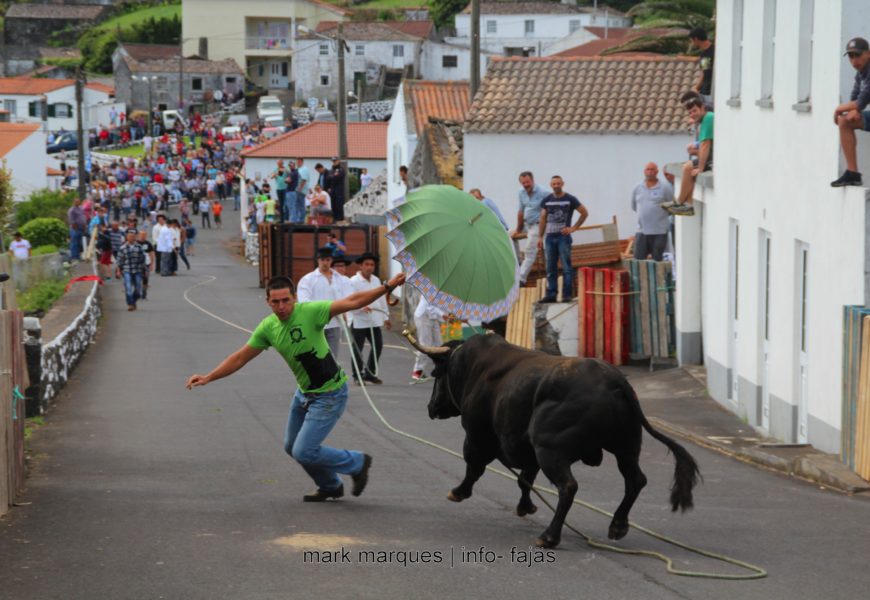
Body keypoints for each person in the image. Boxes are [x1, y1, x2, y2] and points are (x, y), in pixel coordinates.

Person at [185, 271, 407, 502]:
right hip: (304, 394)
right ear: (268, 302)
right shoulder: (268, 327)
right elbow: (240, 357)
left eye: (285, 301)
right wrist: (209, 376)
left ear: (294, 299)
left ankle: (357, 462)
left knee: (304, 450)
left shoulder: (311, 312)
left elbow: (352, 301)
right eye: (275, 302)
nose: (281, 307)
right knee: (293, 447)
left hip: (331, 393)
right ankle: (330, 485)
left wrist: (387, 287)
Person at [537, 175, 588, 303]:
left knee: (566, 266)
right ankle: (551, 294)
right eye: (554, 184)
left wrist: (574, 228)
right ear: (551, 185)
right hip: (549, 238)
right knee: (550, 267)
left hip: (563, 238)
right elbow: (542, 218)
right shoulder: (547, 200)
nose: (556, 186)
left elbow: (584, 212)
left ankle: (567, 294)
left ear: (562, 184)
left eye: (558, 183)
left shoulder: (570, 199)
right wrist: (539, 237)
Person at [296, 247, 351, 359]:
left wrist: (345, 311)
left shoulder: (340, 279)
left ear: (331, 261)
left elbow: (348, 298)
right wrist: (328, 311)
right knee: (317, 357)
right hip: (316, 325)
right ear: (318, 260)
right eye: (322, 260)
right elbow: (304, 303)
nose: (325, 263)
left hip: (335, 324)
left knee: (333, 358)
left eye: (328, 260)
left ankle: (332, 376)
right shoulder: (308, 279)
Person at [833, 37, 870, 187]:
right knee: (845, 121)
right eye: (851, 56)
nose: (854, 60)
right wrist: (852, 111)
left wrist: (838, 109)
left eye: (858, 55)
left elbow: (864, 98)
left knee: (844, 115)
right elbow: (855, 97)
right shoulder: (860, 73)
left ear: (868, 53)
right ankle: (853, 174)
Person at [349, 253, 390, 385]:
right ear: (361, 266)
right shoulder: (353, 281)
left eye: (372, 264)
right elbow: (350, 299)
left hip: (374, 320)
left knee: (378, 346)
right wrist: (361, 307)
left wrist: (386, 316)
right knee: (357, 349)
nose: (369, 267)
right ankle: (357, 375)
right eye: (366, 264)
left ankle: (370, 373)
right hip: (359, 321)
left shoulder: (376, 280)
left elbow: (382, 298)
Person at [668, 98, 713, 215]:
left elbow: (705, 144)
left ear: (702, 108)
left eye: (694, 110)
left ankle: (680, 203)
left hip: (713, 158)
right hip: (711, 156)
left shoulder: (708, 119)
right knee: (687, 167)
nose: (692, 114)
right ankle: (687, 204)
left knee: (688, 168)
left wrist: (701, 168)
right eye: (690, 113)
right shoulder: (705, 119)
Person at [631, 163, 674, 261]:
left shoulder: (665, 187)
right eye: (648, 169)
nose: (650, 172)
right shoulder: (637, 187)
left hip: (659, 231)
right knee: (639, 259)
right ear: (644, 171)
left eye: (652, 169)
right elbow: (633, 206)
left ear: (657, 172)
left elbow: (671, 207)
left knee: (658, 260)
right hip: (642, 231)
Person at [511, 171, 548, 285]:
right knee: (508, 236)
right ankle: (517, 263)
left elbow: (551, 208)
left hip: (538, 225)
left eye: (527, 182)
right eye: (523, 183)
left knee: (529, 250)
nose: (526, 184)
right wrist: (518, 229)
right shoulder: (521, 192)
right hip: (527, 224)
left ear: (532, 180)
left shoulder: (544, 192)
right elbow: (520, 211)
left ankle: (521, 279)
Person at [411, 295, 444, 382]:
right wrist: (444, 314)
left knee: (439, 345)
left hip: (434, 318)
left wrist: (460, 317)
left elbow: (445, 305)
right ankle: (418, 370)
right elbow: (429, 307)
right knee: (425, 344)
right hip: (423, 316)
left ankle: (439, 368)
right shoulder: (430, 286)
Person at [115, 228, 146, 311]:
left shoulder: (139, 247)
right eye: (129, 237)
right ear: (127, 238)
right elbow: (119, 261)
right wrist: (118, 271)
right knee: (128, 288)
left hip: (137, 270)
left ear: (135, 238)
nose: (131, 238)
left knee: (138, 289)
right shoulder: (123, 248)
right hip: (127, 270)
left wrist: (144, 270)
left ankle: (133, 301)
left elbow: (143, 259)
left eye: (133, 237)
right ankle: (130, 304)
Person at [689, 28, 714, 106]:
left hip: (708, 92)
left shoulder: (705, 55)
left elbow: (705, 73)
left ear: (696, 39)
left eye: (691, 40)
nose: (692, 43)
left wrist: (696, 88)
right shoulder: (716, 49)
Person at [136, 230, 155, 299]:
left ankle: (144, 293)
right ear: (139, 235)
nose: (143, 236)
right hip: (137, 264)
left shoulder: (148, 244)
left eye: (144, 235)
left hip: (146, 264)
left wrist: (152, 264)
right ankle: (137, 293)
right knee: (137, 279)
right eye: (141, 235)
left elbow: (152, 254)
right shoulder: (136, 243)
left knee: (145, 279)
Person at [328, 157, 346, 223]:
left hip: (339, 190)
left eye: (335, 161)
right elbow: (329, 178)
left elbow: (337, 177)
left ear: (338, 161)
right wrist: (333, 176)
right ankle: (334, 218)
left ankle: (340, 218)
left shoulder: (341, 169)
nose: (334, 162)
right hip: (333, 189)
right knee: (333, 204)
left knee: (339, 204)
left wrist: (333, 176)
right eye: (333, 161)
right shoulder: (331, 170)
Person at [295, 157, 311, 223]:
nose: (296, 163)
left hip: (301, 190)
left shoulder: (304, 169)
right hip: (298, 189)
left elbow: (304, 180)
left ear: (300, 161)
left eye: (297, 161)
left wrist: (299, 189)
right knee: (297, 205)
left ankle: (301, 220)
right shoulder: (298, 169)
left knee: (300, 204)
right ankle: (299, 219)